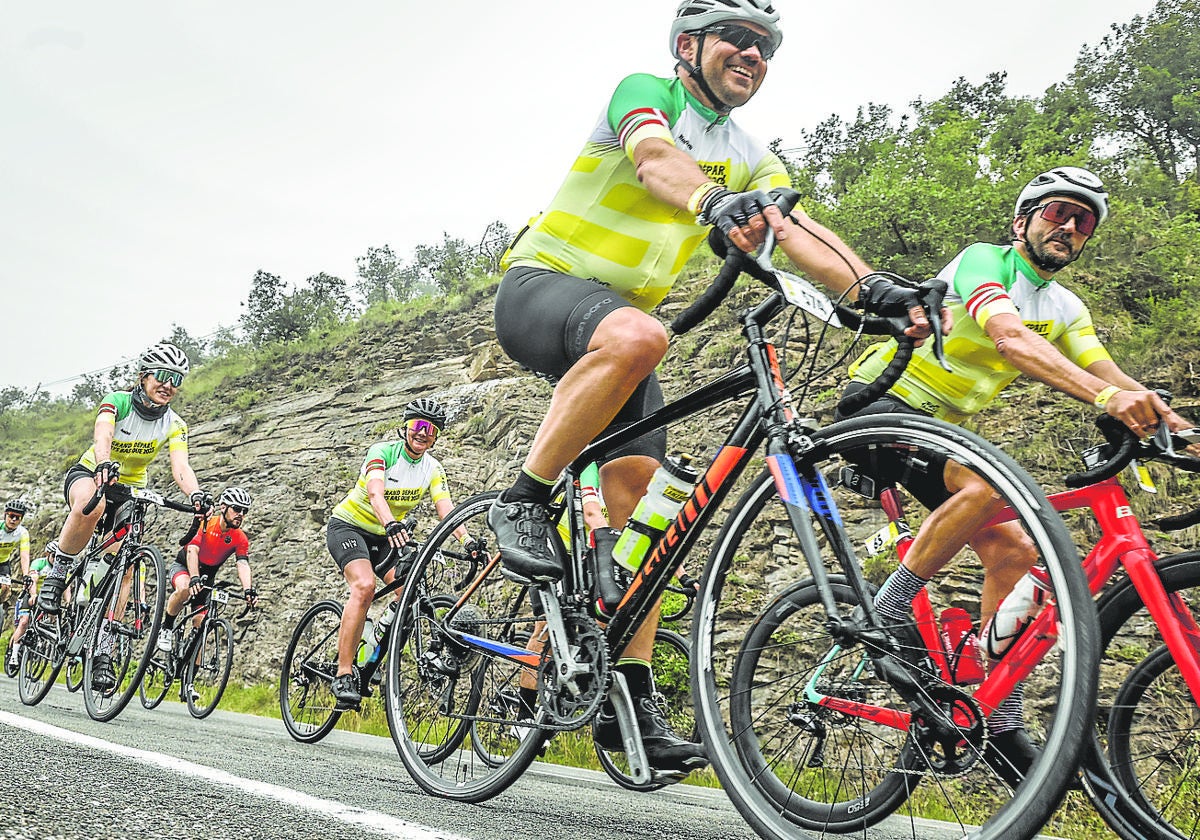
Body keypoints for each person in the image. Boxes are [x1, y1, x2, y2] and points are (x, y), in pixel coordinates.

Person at [486, 0, 933, 776]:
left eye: (767, 47)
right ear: (690, 45)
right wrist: (709, 202)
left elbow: (796, 232)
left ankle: (624, 702)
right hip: (545, 287)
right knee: (641, 334)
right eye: (740, 39)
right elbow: (659, 161)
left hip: (618, 332)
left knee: (652, 518)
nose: (754, 55)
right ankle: (522, 498)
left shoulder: (752, 156)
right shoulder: (645, 93)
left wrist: (874, 290)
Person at [837, 165, 1192, 785]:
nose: (1070, 226)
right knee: (995, 486)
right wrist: (1105, 400)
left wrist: (1180, 428)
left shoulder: (1065, 306)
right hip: (884, 399)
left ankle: (991, 710)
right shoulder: (984, 261)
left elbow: (1110, 372)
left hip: (945, 429)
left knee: (1015, 549)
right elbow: (1009, 339)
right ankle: (890, 608)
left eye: (1082, 222)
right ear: (1022, 219)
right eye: (1058, 211)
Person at [37, 342, 209, 692]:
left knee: (126, 567)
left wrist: (196, 495)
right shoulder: (119, 401)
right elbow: (103, 434)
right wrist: (103, 462)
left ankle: (102, 651)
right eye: (162, 376)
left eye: (176, 379)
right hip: (93, 473)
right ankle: (58, 573)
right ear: (144, 376)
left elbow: (181, 466)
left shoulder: (175, 424)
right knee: (92, 504)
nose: (168, 384)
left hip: (131, 489)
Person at [326, 397, 483, 709]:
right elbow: (374, 492)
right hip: (350, 527)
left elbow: (446, 509)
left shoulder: (433, 468)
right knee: (365, 586)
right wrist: (390, 523)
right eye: (418, 426)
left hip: (389, 534)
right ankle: (343, 673)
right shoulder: (382, 452)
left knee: (408, 591)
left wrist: (466, 540)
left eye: (432, 430)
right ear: (406, 426)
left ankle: (372, 651)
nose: (423, 433)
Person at [157, 487, 258, 697]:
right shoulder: (207, 523)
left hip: (207, 577)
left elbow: (243, 564)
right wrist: (193, 577)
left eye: (245, 511)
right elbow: (192, 551)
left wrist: (248, 590)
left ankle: (188, 684)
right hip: (185, 566)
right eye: (237, 509)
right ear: (224, 507)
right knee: (184, 589)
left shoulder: (240, 538)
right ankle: (166, 627)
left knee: (201, 626)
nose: (241, 514)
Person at [6, 551, 50, 672]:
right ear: (48, 554)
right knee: (24, 622)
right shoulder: (39, 563)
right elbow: (33, 580)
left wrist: (67, 602)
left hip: (45, 599)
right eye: (54, 555)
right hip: (29, 596)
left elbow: (66, 588)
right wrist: (33, 595)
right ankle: (13, 655)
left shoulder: (60, 568)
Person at [0, 498, 32, 629]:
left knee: (5, 588)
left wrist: (26, 575)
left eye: (17, 517)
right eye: (11, 516)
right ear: (5, 515)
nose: (13, 520)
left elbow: (24, 555)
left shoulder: (22, 533)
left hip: (3, 564)